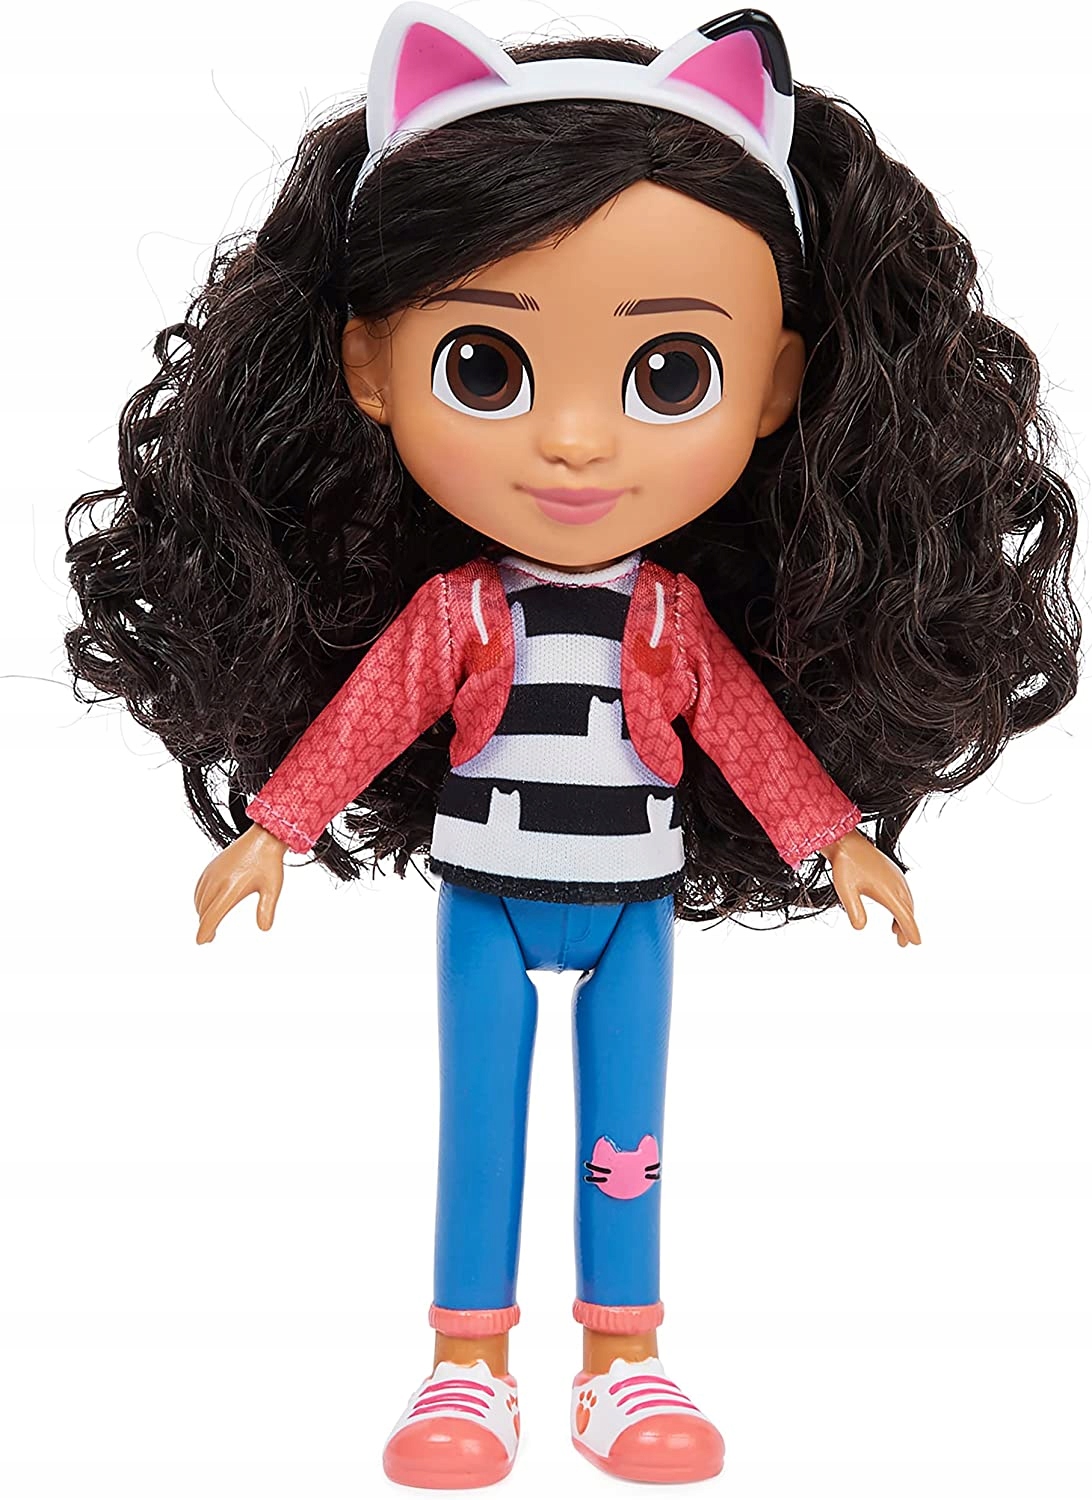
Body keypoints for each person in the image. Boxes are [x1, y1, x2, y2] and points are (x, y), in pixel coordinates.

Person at [65, 3, 1080, 1486]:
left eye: (670, 375)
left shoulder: (668, 620)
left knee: (627, 1136)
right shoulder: (463, 613)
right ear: (370, 367)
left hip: (630, 901)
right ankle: (465, 1367)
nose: (577, 443)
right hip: (488, 890)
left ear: (776, 386)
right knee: (479, 1126)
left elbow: (744, 728)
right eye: (487, 367)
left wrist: (838, 838)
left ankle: (623, 1358)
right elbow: (370, 714)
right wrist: (274, 828)